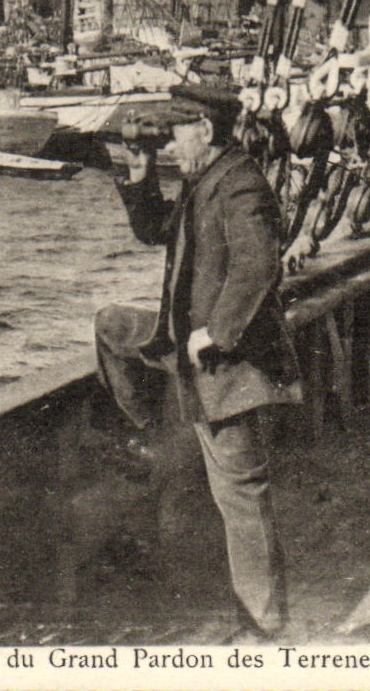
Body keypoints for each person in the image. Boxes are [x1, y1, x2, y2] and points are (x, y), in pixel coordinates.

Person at [95, 85, 303, 641]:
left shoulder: (241, 185)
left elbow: (260, 264)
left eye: (177, 131)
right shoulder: (203, 179)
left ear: (206, 131)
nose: (171, 144)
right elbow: (156, 231)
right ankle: (146, 433)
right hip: (184, 347)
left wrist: (219, 331)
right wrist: (141, 178)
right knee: (111, 326)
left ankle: (265, 629)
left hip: (229, 367)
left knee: (241, 496)